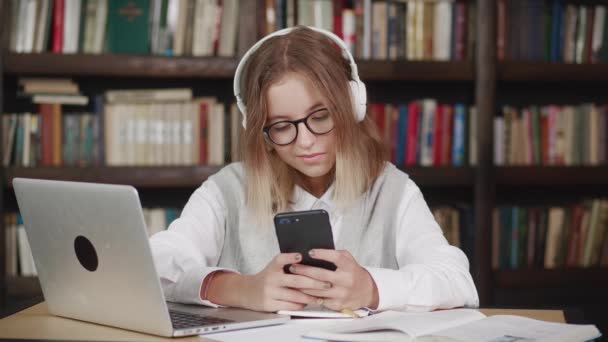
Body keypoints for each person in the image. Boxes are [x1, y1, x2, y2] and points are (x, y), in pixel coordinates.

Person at [149, 26, 479, 313]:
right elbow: (155, 264)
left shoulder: (392, 190)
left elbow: (457, 282)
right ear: (261, 132)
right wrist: (235, 289)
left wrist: (372, 288)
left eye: (320, 117)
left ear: (351, 107)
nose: (305, 142)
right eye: (281, 126)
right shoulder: (227, 190)